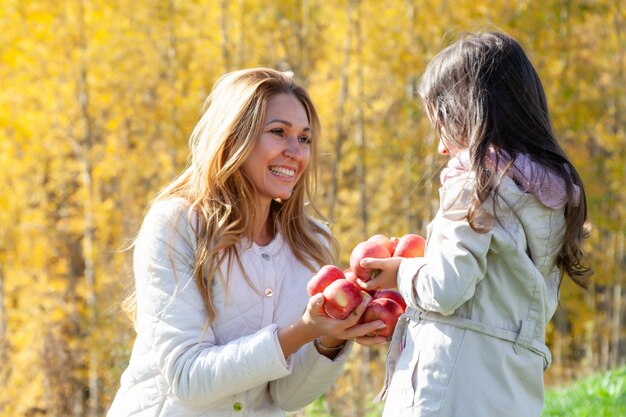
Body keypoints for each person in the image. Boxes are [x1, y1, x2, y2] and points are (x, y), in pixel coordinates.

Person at [107, 68, 385, 417]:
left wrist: (330, 337)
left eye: (304, 139)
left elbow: (287, 397)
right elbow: (187, 377)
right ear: (234, 137)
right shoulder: (178, 224)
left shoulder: (311, 244)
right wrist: (302, 330)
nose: (294, 152)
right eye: (278, 132)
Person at [357, 31, 593, 417]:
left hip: (446, 389)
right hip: (513, 386)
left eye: (441, 125)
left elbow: (445, 289)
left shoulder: (475, 186)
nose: (440, 148)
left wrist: (401, 273)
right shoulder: (551, 196)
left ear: (467, 115)